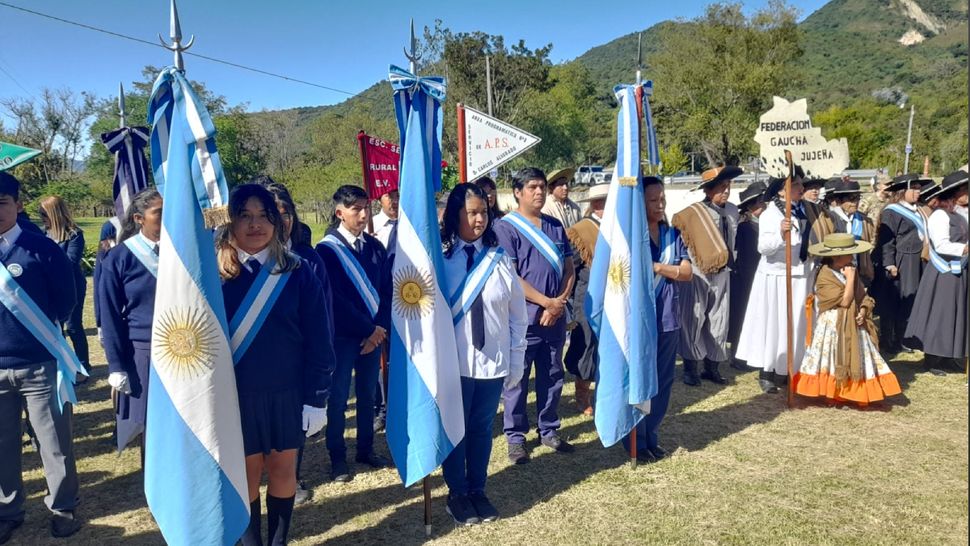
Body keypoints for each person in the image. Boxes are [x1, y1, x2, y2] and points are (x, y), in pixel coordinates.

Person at [218, 184, 333, 546]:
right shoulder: (213, 276)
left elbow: (319, 339)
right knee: (247, 476)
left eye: (264, 216)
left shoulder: (298, 272)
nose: (256, 225)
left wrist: (317, 397)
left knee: (283, 472)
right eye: (245, 216)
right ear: (230, 222)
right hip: (236, 397)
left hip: (288, 392)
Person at [438, 183, 527, 525]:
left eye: (483, 212)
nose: (479, 220)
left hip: (491, 362)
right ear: (454, 215)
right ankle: (456, 493)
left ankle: (477, 489)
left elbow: (517, 316)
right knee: (455, 430)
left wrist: (516, 358)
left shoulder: (501, 260)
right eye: (471, 212)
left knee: (480, 429)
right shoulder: (440, 260)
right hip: (454, 364)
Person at [0, 172, 82, 542]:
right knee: (2, 445)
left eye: (2, 203)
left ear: (17, 205)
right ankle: (8, 510)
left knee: (54, 444)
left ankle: (63, 508)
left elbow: (66, 300)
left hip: (39, 365)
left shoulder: (42, 248)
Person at [253, 175, 336, 506]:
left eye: (286, 211)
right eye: (274, 211)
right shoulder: (240, 259)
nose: (282, 218)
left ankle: (292, 476)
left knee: (293, 428)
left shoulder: (308, 258)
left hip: (301, 361)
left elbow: (325, 311)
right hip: (258, 363)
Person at [495, 167, 576, 463]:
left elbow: (569, 269)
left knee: (553, 374)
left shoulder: (555, 226)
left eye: (542, 186)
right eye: (532, 187)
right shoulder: (506, 228)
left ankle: (549, 429)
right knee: (517, 379)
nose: (539, 192)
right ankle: (516, 437)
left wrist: (559, 302)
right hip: (523, 319)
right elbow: (511, 276)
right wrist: (546, 302)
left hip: (554, 318)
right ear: (518, 192)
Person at [316, 184, 392, 482]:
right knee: (337, 398)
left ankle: (366, 448)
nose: (363, 214)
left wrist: (379, 329)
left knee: (368, 394)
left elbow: (386, 291)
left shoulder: (374, 247)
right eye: (356, 209)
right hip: (345, 336)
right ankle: (337, 457)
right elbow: (333, 299)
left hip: (373, 335)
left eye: (366, 208)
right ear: (339, 213)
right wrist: (366, 329)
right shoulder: (326, 251)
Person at [623, 177, 692, 462]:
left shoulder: (672, 235)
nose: (660, 204)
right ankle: (635, 440)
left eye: (662, 199)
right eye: (653, 200)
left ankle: (652, 435)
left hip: (668, 318)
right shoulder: (631, 238)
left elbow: (687, 273)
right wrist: (671, 269)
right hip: (640, 321)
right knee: (641, 380)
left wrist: (659, 267)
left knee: (663, 382)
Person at [794, 233, 902, 405]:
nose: (852, 257)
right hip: (833, 324)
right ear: (837, 256)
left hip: (853, 322)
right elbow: (844, 301)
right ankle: (833, 392)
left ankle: (854, 392)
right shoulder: (824, 275)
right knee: (832, 357)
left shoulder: (851, 268)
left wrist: (863, 310)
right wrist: (850, 279)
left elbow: (861, 297)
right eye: (849, 253)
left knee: (858, 355)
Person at [98, 188, 162, 458]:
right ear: (139, 218)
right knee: (151, 423)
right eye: (159, 214)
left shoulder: (186, 253)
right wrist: (116, 364)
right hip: (143, 351)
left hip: (186, 349)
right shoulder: (120, 257)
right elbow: (109, 313)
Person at [736, 172, 812, 393]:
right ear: (781, 190)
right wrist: (781, 233)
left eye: (800, 184)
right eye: (795, 185)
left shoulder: (803, 210)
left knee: (794, 324)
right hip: (775, 277)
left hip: (799, 275)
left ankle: (786, 369)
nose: (800, 188)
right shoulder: (771, 214)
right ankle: (767, 372)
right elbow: (764, 248)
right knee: (773, 324)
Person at [671, 165, 741, 386]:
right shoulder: (693, 214)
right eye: (722, 187)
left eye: (728, 186)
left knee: (719, 319)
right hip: (699, 273)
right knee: (693, 317)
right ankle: (691, 367)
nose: (726, 191)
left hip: (723, 272)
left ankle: (713, 366)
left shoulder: (732, 211)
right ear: (709, 190)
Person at [905, 171, 969, 374]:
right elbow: (941, 245)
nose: (968, 193)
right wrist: (965, 249)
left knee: (954, 314)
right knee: (940, 314)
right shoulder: (940, 216)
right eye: (965, 190)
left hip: (959, 271)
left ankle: (948, 356)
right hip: (943, 272)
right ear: (954, 193)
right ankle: (932, 358)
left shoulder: (958, 215)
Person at [564, 182, 608, 415]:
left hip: (613, 294)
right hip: (587, 295)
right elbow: (570, 267)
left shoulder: (618, 227)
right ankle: (582, 393)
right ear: (596, 205)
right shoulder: (581, 231)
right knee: (586, 344)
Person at [872, 174, 928, 354]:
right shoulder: (892, 211)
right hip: (900, 259)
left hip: (914, 259)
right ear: (905, 190)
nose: (919, 192)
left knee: (910, 299)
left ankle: (903, 337)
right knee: (893, 299)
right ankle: (888, 339)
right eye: (916, 188)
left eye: (920, 188)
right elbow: (887, 240)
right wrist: (889, 263)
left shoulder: (917, 209)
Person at [38, 196, 89, 378]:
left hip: (72, 287)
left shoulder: (74, 234)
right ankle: (65, 364)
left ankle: (83, 366)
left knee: (74, 326)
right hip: (49, 288)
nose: (41, 217)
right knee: (56, 326)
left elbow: (71, 261)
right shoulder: (43, 234)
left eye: (43, 213)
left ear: (54, 213)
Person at [728, 181, 767, 370]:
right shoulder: (745, 227)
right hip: (745, 277)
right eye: (760, 202)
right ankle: (737, 355)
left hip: (756, 276)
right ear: (752, 206)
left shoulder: (762, 225)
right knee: (741, 316)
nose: (764, 206)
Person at [821, 179, 877, 286]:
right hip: (836, 273)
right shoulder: (829, 219)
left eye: (857, 198)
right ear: (839, 200)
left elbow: (871, 245)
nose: (855, 202)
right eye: (851, 199)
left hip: (860, 272)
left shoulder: (864, 221)